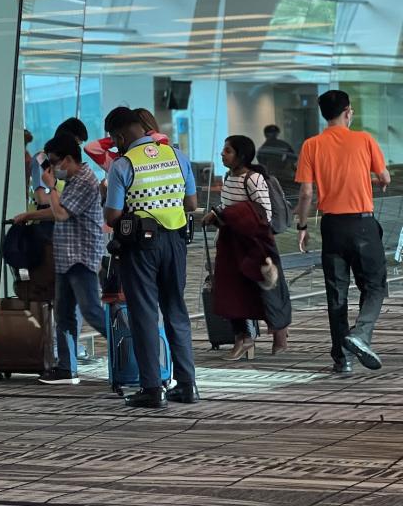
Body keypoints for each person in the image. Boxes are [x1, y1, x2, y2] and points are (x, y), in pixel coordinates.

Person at [102, 107, 198, 408]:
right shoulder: (177, 156)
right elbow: (191, 202)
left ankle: (152, 388)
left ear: (119, 135)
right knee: (176, 311)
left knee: (143, 314)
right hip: (176, 241)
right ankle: (187, 385)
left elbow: (113, 214)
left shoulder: (123, 165)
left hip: (141, 246)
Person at [295, 90, 390, 374]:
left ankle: (342, 358)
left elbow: (306, 192)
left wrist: (302, 226)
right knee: (374, 285)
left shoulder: (311, 145)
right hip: (362, 223)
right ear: (348, 112)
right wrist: (378, 179)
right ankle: (360, 334)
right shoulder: (364, 139)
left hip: (332, 226)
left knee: (336, 293)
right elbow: (383, 176)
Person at [13, 132, 106, 385]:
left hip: (81, 257)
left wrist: (51, 185)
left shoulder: (85, 181)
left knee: (92, 311)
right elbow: (56, 212)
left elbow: (62, 213)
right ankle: (66, 367)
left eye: (54, 162)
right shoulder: (75, 180)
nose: (52, 168)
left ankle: (131, 347)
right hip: (66, 258)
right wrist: (29, 215)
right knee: (64, 313)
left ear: (68, 159)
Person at [205, 135, 291, 360]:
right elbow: (226, 206)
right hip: (231, 245)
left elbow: (264, 212)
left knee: (267, 291)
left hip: (254, 246)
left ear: (241, 155)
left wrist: (228, 215)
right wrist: (218, 215)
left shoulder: (253, 179)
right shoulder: (228, 177)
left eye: (228, 151)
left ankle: (279, 336)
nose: (223, 154)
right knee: (231, 293)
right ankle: (242, 337)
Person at [85, 108, 168, 172]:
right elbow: (91, 148)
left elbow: (161, 139)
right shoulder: (118, 161)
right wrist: (117, 138)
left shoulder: (160, 148)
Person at [29, 117, 88, 208]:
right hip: (42, 218)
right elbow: (42, 198)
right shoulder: (42, 159)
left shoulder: (66, 163)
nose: (76, 149)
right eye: (75, 144)